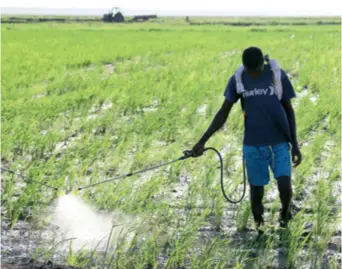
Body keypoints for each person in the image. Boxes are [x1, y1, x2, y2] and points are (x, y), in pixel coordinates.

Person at [187, 46, 302, 235]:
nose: (254, 75)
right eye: (250, 72)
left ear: (262, 65)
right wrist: (202, 141)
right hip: (253, 146)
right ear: (245, 67)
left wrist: (295, 144)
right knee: (256, 191)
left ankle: (285, 213)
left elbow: (289, 110)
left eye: (257, 71)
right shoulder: (238, 80)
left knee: (285, 186)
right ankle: (260, 229)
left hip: (279, 142)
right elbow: (223, 112)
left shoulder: (276, 76)